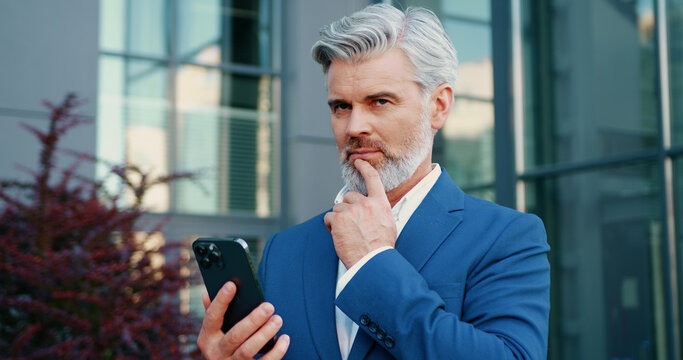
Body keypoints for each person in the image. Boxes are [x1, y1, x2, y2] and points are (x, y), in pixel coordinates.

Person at [197, 4, 550, 360]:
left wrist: (373, 262)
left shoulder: (506, 237)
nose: (354, 128)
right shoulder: (284, 250)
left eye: (379, 101)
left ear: (438, 106)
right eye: (341, 107)